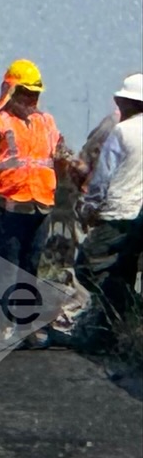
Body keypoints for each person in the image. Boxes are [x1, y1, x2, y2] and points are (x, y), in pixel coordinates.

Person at [0, 58, 81, 347]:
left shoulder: (46, 122)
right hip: (6, 205)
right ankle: (5, 325)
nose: (32, 99)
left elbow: (60, 151)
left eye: (36, 93)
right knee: (8, 265)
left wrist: (73, 163)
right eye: (26, 92)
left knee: (30, 267)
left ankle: (26, 327)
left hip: (40, 205)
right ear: (12, 91)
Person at [74, 74, 143, 351]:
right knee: (120, 271)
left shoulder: (122, 131)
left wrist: (89, 209)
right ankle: (112, 332)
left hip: (116, 214)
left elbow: (102, 178)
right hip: (139, 216)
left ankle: (127, 307)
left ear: (127, 102)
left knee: (87, 267)